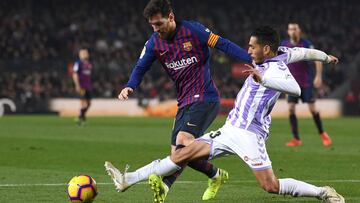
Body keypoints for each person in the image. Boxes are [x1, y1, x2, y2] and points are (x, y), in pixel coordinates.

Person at [105, 26, 344, 203]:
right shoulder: (282, 52)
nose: (247, 50)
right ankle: (127, 180)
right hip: (230, 129)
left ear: (266, 49)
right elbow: (303, 52)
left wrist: (265, 78)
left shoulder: (277, 68)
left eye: (252, 46)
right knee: (182, 154)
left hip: (250, 134)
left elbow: (296, 89)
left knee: (270, 186)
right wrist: (325, 57)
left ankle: (322, 192)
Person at [118, 0, 252, 201]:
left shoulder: (193, 30)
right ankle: (215, 175)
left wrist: (252, 60)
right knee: (178, 155)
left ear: (170, 17)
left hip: (205, 97)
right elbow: (140, 67)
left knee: (183, 143)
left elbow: (223, 44)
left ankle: (165, 184)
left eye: (160, 24)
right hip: (184, 102)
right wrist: (130, 85)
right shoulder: (154, 43)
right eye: (153, 25)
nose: (157, 29)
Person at [281, 23, 332, 147]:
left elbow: (316, 58)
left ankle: (322, 133)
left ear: (299, 31)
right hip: (291, 83)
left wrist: (318, 76)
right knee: (291, 109)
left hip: (305, 82)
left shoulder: (306, 44)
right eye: (291, 29)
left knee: (312, 109)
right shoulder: (284, 45)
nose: (293, 31)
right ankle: (296, 139)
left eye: (295, 29)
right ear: (288, 31)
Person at [72, 49, 92, 126]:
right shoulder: (78, 63)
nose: (85, 54)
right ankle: (81, 120)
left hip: (88, 86)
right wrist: (77, 85)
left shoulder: (89, 64)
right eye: (83, 53)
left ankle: (80, 117)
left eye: (86, 53)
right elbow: (75, 74)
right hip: (82, 87)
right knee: (83, 103)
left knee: (89, 103)